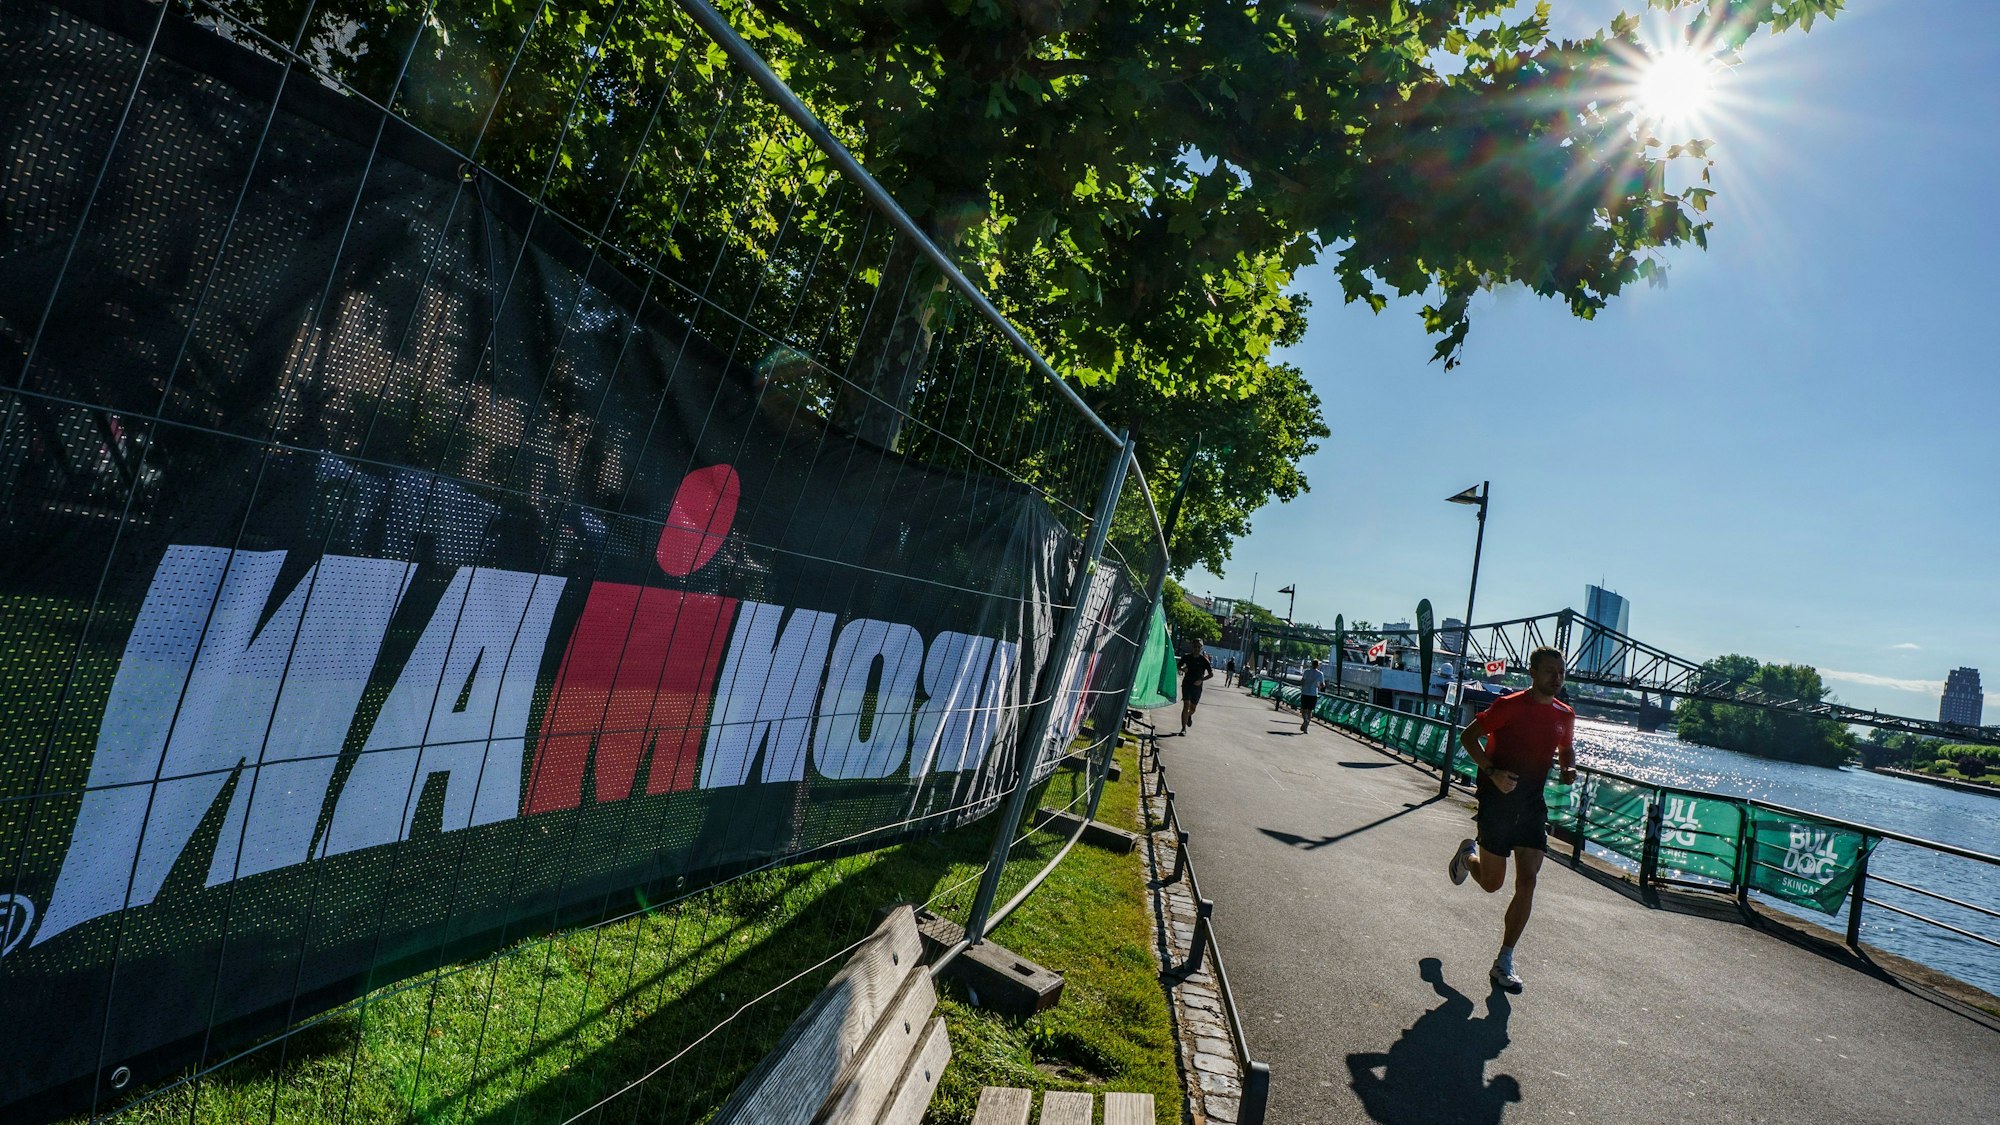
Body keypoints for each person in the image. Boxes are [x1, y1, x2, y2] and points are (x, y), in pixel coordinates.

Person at [1446, 646, 1575, 993]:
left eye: (1561, 672)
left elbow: (1565, 748)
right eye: (1549, 671)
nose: (1557, 678)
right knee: (1492, 883)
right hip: (1497, 801)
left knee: (1528, 881)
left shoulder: (1565, 714)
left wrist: (1568, 768)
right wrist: (1492, 771)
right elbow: (1468, 737)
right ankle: (1466, 856)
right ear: (1532, 673)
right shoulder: (1508, 706)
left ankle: (1504, 960)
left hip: (1532, 805)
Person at [1178, 643, 1214, 732]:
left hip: (1197, 687)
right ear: (1192, 647)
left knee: (1193, 708)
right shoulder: (1186, 657)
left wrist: (1201, 680)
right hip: (1187, 684)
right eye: (1195, 646)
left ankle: (1189, 715)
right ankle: (1183, 728)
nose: (1197, 648)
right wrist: (1182, 669)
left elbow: (1211, 674)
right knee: (1186, 705)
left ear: (1201, 648)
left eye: (1199, 647)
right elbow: (1179, 665)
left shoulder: (1204, 660)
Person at [1297, 658, 1325, 732]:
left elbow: (1302, 681)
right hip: (1313, 694)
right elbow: (1322, 685)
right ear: (1318, 665)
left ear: (1312, 664)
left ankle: (1305, 720)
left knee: (1303, 709)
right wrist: (1318, 686)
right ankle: (1306, 727)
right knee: (1310, 711)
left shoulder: (1306, 672)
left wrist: (1303, 686)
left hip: (1305, 692)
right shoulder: (1320, 674)